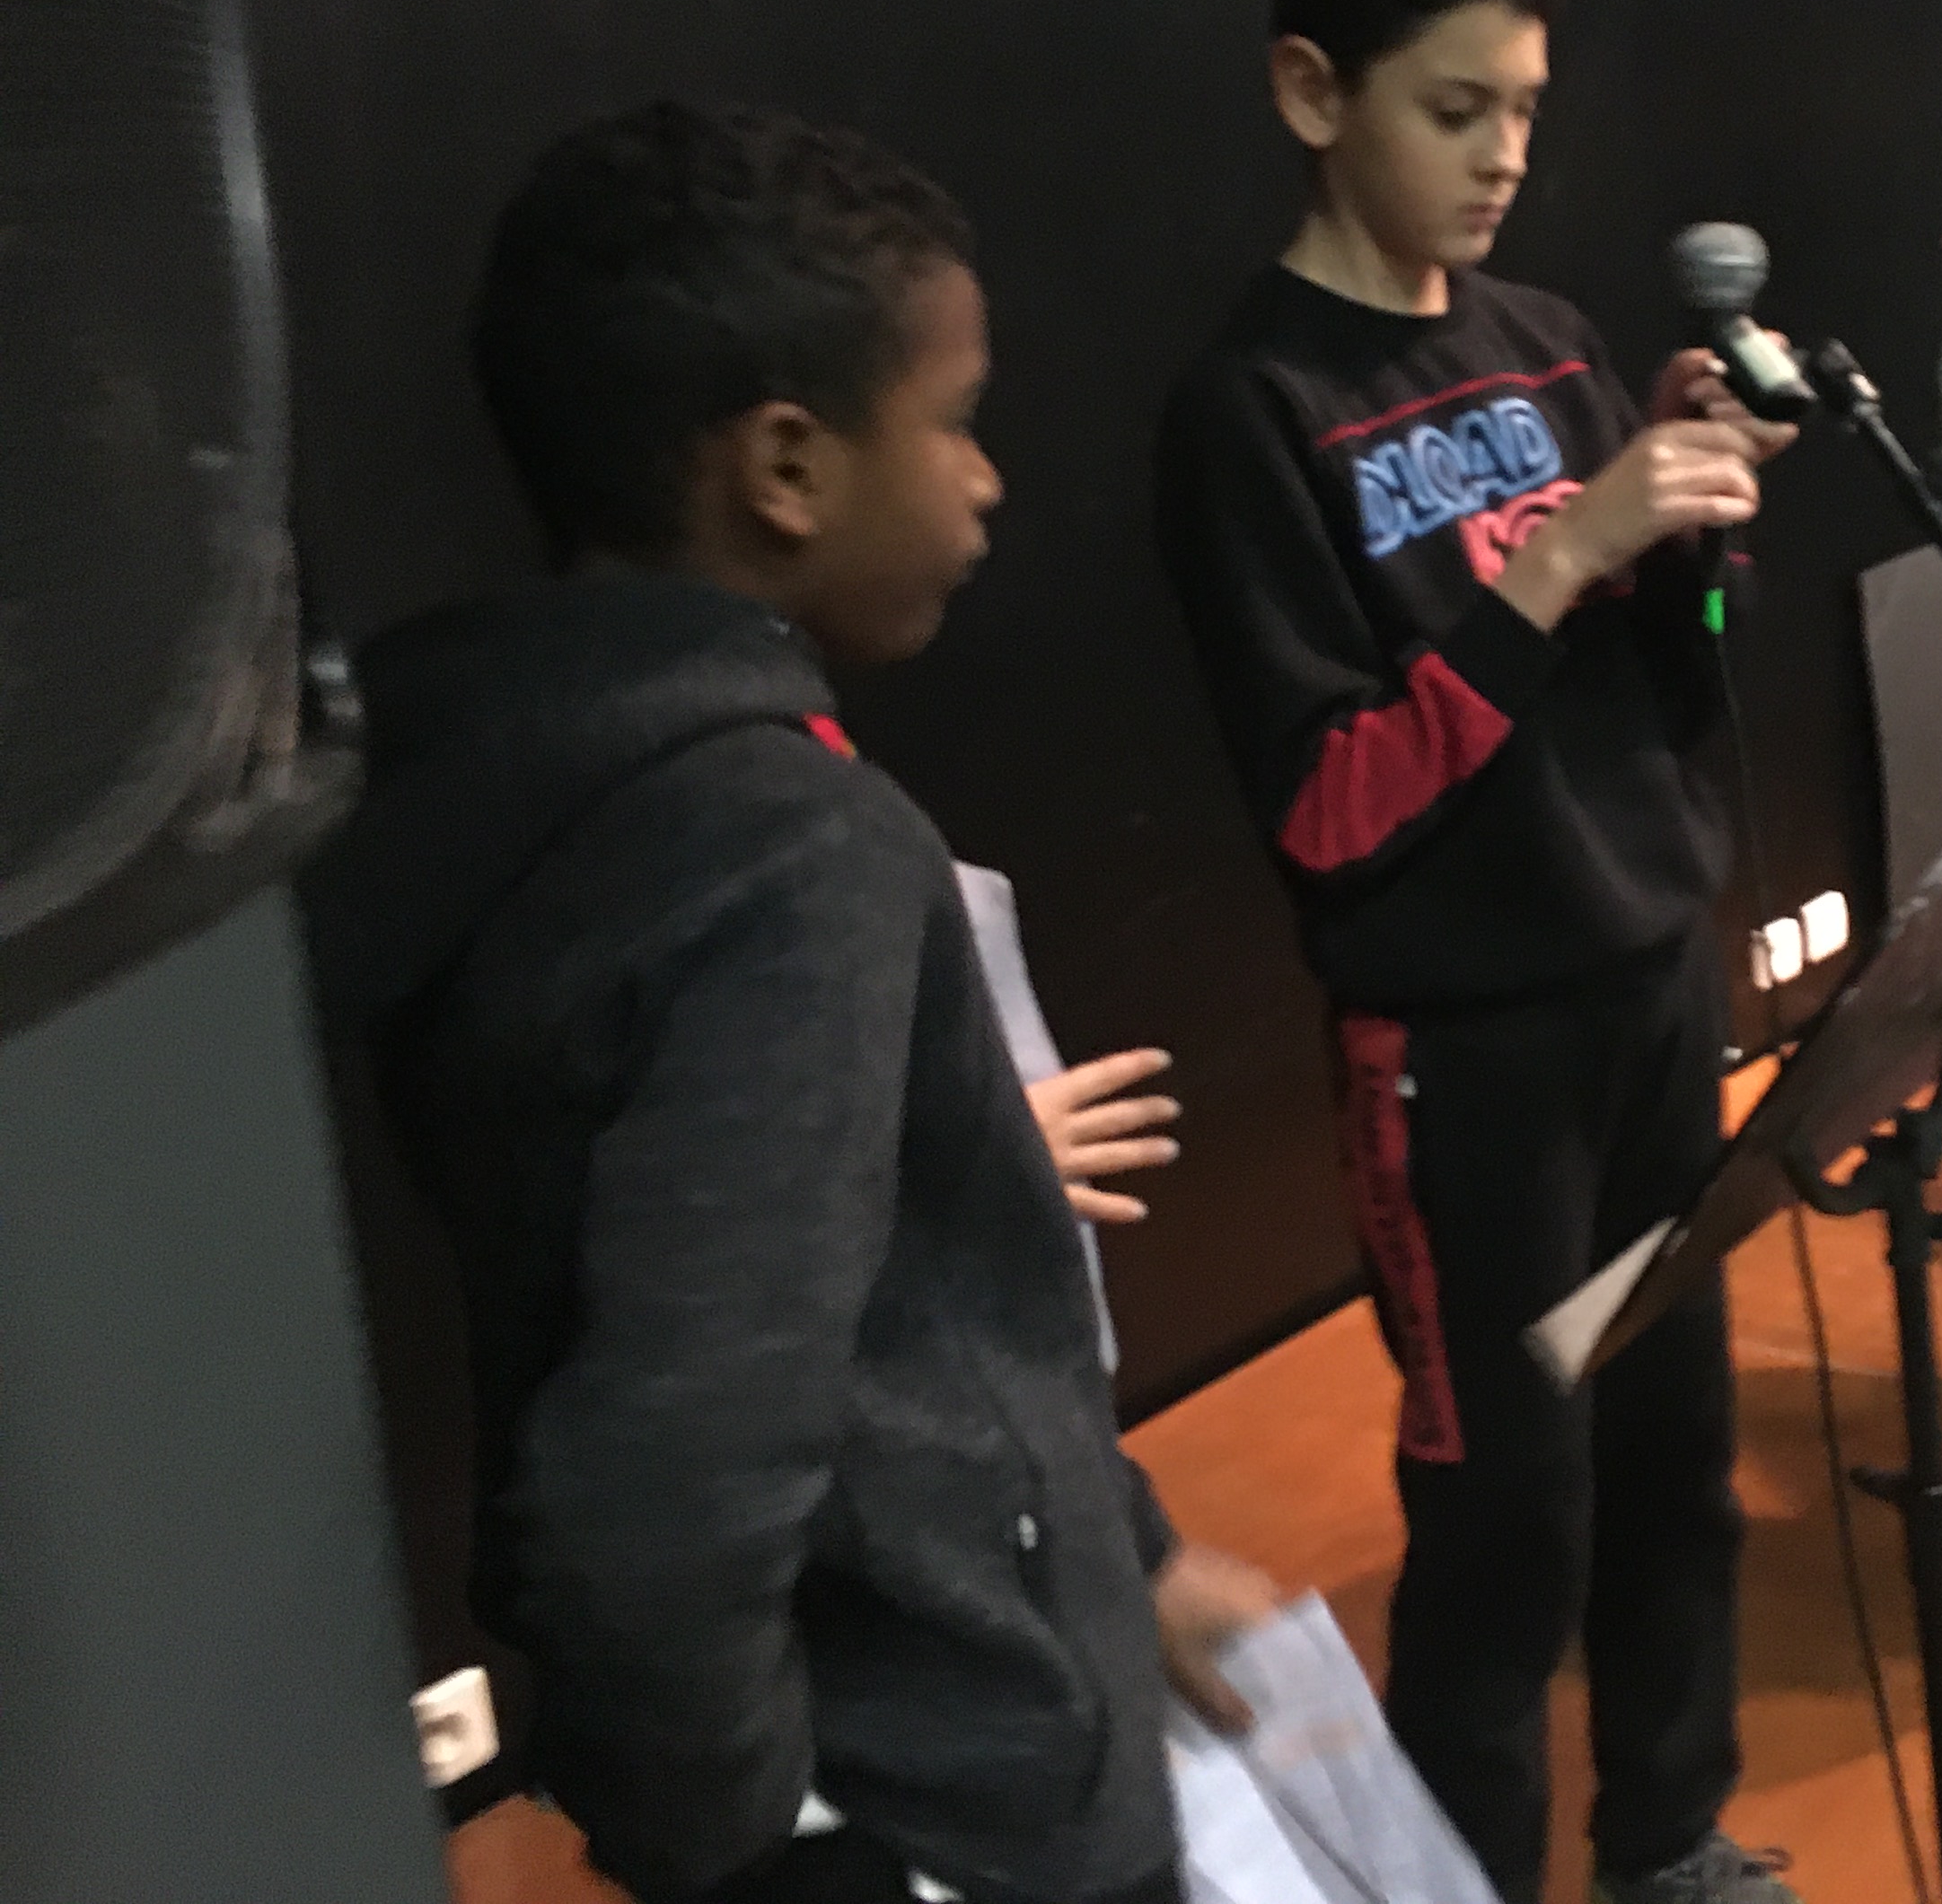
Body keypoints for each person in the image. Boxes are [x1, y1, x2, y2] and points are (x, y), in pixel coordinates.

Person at [306, 101, 1273, 1904]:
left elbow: (872, 1318)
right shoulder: (791, 849)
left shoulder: (527, 784)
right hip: (944, 1818)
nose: (986, 478)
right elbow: (666, 1474)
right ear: (786, 466)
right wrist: (769, 1854)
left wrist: (1114, 1551)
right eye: (955, 420)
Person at [1154, 0, 1797, 1904]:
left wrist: (1693, 535)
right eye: (1456, 110)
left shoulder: (1547, 339)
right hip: (1462, 1062)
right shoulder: (1255, 411)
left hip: (1649, 990)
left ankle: (1670, 1838)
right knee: (1510, 1523)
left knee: (1676, 1464)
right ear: (1310, 91)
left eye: (1523, 107)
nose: (1506, 154)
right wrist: (1559, 556)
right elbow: (1335, 807)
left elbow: (1671, 671)